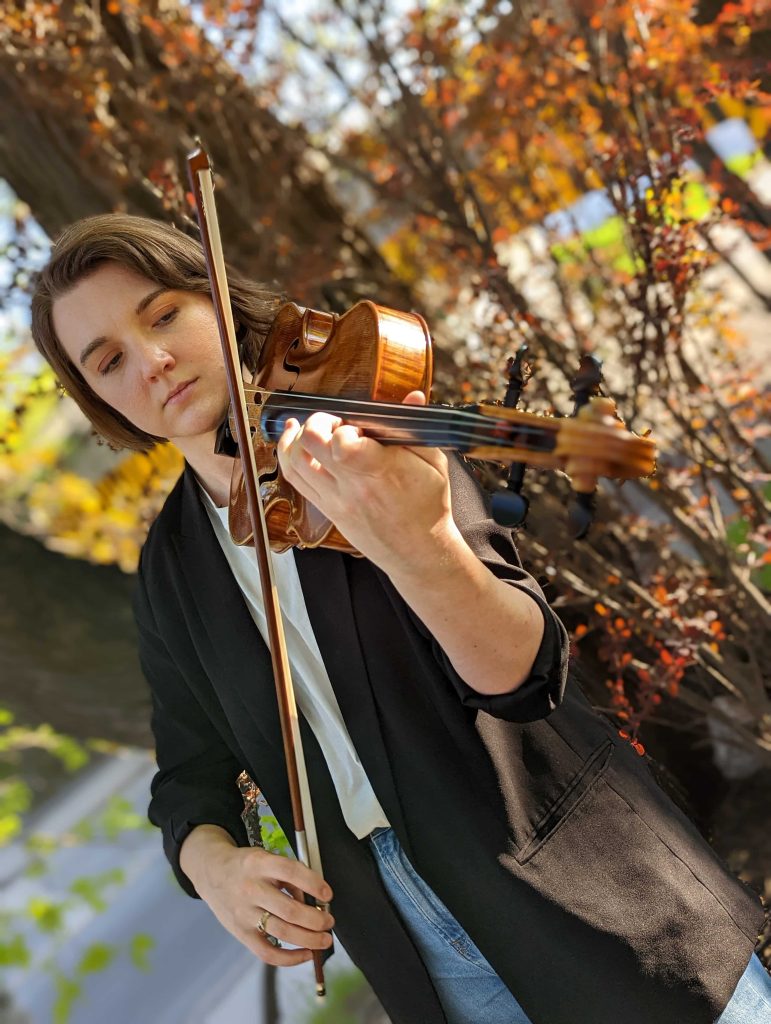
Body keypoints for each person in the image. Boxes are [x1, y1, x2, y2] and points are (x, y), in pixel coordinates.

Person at [31, 213, 771, 1024]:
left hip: (586, 892)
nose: (153, 360)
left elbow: (525, 676)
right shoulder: (171, 571)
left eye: (163, 314)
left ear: (214, 299)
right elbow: (186, 774)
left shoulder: (358, 442)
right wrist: (212, 866)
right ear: (97, 399)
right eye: (108, 361)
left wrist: (421, 548)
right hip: (411, 948)